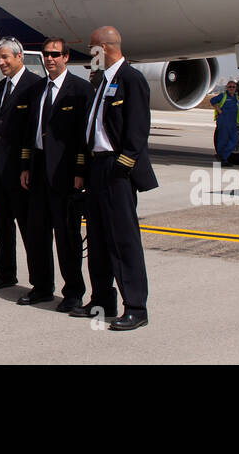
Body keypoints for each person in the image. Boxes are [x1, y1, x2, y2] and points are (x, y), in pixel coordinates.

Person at [78, 26, 157, 331]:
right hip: (97, 168)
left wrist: (122, 168)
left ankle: (136, 307)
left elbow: (137, 131)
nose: (90, 54)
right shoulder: (102, 81)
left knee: (123, 240)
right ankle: (102, 300)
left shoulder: (131, 79)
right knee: (97, 239)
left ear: (105, 48)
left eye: (92, 48)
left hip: (116, 169)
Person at [21, 37, 93, 311]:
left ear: (66, 58)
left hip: (64, 174)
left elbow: (84, 138)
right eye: (46, 54)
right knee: (37, 235)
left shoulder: (80, 90)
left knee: (67, 237)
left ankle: (73, 292)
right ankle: (41, 287)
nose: (50, 59)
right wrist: (26, 167)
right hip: (38, 170)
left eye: (55, 54)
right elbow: (30, 133)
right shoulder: (38, 89)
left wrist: (79, 171)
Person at [0, 37, 43, 292]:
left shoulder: (34, 87)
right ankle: (5, 273)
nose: (2, 62)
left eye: (6, 57)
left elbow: (33, 132)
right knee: (2, 226)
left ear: (20, 57)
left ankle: (40, 283)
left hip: (21, 172)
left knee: (30, 230)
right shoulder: (1, 88)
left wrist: (26, 166)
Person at [211, 80, 239, 165]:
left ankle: (221, 156)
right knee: (223, 140)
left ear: (236, 88)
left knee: (234, 140)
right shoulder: (223, 96)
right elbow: (212, 100)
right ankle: (223, 160)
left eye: (233, 87)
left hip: (232, 122)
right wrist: (219, 111)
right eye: (230, 87)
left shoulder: (236, 98)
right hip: (224, 121)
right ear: (227, 88)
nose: (231, 88)